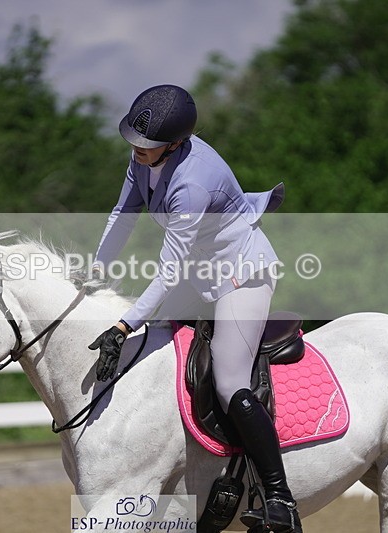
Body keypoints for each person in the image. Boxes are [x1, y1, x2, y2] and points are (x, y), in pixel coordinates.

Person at [88, 84, 302, 533]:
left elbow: (168, 272)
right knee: (158, 349)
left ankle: (280, 498)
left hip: (241, 275)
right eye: (133, 142)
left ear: (176, 144)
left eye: (145, 146)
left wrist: (124, 323)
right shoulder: (145, 158)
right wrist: (93, 273)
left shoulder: (192, 182)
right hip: (200, 274)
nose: (135, 151)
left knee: (228, 381)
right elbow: (121, 215)